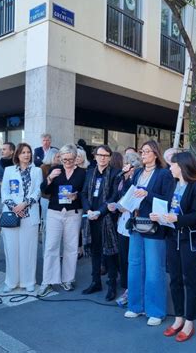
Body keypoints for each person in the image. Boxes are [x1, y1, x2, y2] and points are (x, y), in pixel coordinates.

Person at [150, 151, 196, 342]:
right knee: (174, 279)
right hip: (172, 236)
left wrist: (177, 218)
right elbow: (168, 207)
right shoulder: (173, 185)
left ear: (182, 166)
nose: (170, 167)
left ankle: (189, 321)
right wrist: (159, 216)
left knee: (190, 280)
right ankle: (178, 318)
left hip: (188, 239)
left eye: (173, 164)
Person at [124, 140, 174, 326]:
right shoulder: (137, 172)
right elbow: (132, 193)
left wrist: (147, 194)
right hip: (136, 223)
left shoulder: (164, 174)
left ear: (155, 153)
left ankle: (155, 310)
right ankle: (135, 306)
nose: (143, 154)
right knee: (135, 265)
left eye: (146, 151)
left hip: (154, 226)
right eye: (141, 151)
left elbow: (168, 200)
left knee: (154, 268)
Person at [37, 144, 86, 296]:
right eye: (64, 159)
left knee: (71, 247)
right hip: (54, 211)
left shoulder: (83, 173)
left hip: (73, 212)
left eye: (70, 159)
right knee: (51, 246)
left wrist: (76, 195)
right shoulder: (54, 170)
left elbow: (85, 192)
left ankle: (67, 279)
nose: (67, 162)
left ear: (75, 158)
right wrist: (50, 178)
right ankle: (48, 281)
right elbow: (44, 190)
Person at [1, 143, 43, 293]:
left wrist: (25, 204)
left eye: (28, 152)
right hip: (11, 214)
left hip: (29, 214)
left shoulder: (37, 171)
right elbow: (4, 191)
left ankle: (29, 281)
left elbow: (38, 191)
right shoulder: (9, 170)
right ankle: (11, 282)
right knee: (11, 249)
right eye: (23, 152)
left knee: (29, 249)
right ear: (17, 155)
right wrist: (14, 206)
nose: (26, 155)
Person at [81, 145, 120, 301]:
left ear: (110, 157)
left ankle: (112, 285)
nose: (103, 158)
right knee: (95, 251)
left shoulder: (115, 174)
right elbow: (83, 193)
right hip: (91, 218)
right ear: (95, 156)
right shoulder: (90, 173)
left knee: (110, 253)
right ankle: (95, 281)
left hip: (107, 219)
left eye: (106, 155)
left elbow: (114, 196)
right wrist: (88, 210)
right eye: (100, 155)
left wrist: (100, 212)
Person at [112, 151, 142, 307]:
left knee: (133, 260)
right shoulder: (121, 179)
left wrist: (124, 206)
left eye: (126, 164)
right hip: (121, 223)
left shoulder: (136, 179)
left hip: (132, 223)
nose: (122, 167)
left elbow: (135, 199)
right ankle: (126, 287)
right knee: (123, 258)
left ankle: (132, 290)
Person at [39, 148, 59, 251]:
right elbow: (42, 186)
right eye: (57, 156)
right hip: (46, 199)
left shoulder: (61, 168)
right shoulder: (43, 168)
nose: (59, 159)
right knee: (47, 225)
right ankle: (45, 250)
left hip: (57, 200)